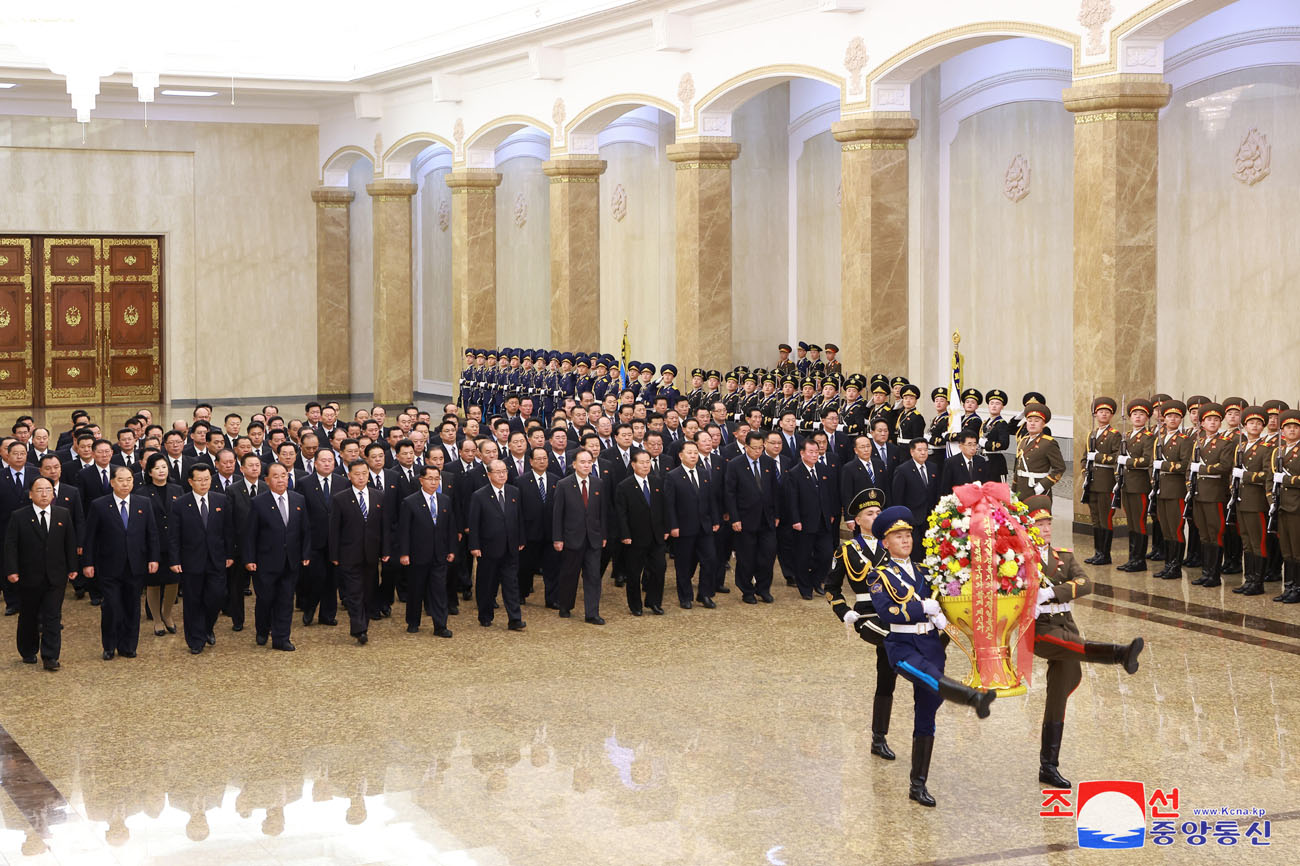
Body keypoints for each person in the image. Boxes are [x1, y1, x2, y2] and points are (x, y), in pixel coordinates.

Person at [867, 506, 996, 807]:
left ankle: (917, 784)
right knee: (930, 677)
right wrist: (922, 609)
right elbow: (887, 611)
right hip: (902, 645)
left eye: (908, 535)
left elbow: (948, 598)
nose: (905, 540)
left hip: (930, 644)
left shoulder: (926, 571)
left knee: (927, 714)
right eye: (898, 536)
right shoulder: (880, 576)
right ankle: (973, 698)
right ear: (885, 543)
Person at [1023, 496, 1144, 789]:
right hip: (1039, 630)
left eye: (1049, 523)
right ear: (1028, 528)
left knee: (1057, 697)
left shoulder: (1063, 554)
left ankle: (1048, 766)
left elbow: (1086, 583)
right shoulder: (1018, 559)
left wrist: (1052, 593)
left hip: (1064, 622)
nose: (1047, 529)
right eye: (1040, 524)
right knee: (1071, 646)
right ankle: (1119, 654)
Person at [825, 488, 894, 759]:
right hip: (867, 615)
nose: (876, 517)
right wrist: (844, 612)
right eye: (870, 513)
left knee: (887, 673)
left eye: (879, 512)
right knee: (891, 644)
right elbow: (831, 588)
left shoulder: (893, 543)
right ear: (857, 519)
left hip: (896, 610)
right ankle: (879, 736)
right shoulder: (847, 550)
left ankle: (878, 738)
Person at [82, 465, 160, 660]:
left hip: (135, 564)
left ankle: (129, 646)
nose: (125, 484)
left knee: (132, 607)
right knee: (112, 607)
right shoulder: (99, 505)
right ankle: (109, 646)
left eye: (129, 480)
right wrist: (88, 563)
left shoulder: (143, 503)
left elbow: (152, 533)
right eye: (121, 480)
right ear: (112, 482)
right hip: (109, 565)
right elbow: (90, 537)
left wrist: (153, 558)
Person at [4, 477, 78, 670]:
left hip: (56, 575)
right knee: (29, 615)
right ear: (30, 494)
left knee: (53, 616)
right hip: (28, 576)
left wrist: (73, 567)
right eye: (39, 490)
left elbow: (69, 543)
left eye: (48, 490)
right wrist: (12, 570)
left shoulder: (63, 514)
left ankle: (50, 656)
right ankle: (28, 650)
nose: (44, 494)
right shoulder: (19, 516)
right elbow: (10, 545)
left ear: (53, 494)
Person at [168, 464, 234, 654]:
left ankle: (207, 627)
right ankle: (195, 639)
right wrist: (174, 560)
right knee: (192, 601)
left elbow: (228, 531)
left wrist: (230, 554)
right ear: (190, 482)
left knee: (217, 597)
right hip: (191, 560)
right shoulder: (180, 504)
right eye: (199, 480)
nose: (204, 483)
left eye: (207, 479)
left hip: (217, 558)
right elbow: (174, 535)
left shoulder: (221, 500)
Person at [245, 463, 310, 651]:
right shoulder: (258, 502)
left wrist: (306, 553)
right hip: (265, 561)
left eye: (284, 475)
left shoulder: (298, 500)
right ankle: (263, 628)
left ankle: (282, 638)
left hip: (291, 560)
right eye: (276, 476)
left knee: (286, 599)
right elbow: (250, 534)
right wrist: (250, 559)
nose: (281, 479)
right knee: (266, 599)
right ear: (267, 480)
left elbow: (305, 529)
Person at [330, 459, 390, 645]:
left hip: (371, 554)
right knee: (354, 593)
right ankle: (359, 628)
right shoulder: (340, 498)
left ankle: (364, 623)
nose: (361, 477)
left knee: (368, 592)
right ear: (349, 476)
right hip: (348, 554)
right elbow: (334, 529)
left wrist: (385, 550)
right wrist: (334, 555)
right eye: (357, 474)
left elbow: (384, 526)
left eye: (364, 473)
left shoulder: (379, 496)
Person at [467, 459, 526, 630]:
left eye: (504, 471)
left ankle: (515, 619)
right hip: (488, 548)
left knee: (511, 584)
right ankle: (485, 615)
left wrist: (521, 539)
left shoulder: (514, 492)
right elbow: (474, 523)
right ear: (489, 474)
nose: (502, 475)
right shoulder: (479, 495)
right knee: (487, 584)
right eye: (498, 472)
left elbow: (519, 517)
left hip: (510, 547)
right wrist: (474, 546)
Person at [397, 464, 456, 636]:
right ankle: (413, 621)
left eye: (436, 478)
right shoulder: (410, 502)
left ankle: (440, 625)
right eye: (429, 478)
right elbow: (404, 530)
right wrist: (404, 553)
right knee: (416, 589)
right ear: (421, 480)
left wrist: (452, 549)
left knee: (439, 590)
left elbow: (450, 527)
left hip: (439, 554)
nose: (433, 482)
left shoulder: (445, 500)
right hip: (418, 554)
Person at [724, 431, 779, 604]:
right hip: (745, 519)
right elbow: (730, 493)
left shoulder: (768, 462)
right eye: (754, 448)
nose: (757, 451)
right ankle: (747, 590)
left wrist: (776, 514)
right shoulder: (735, 464)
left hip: (767, 518)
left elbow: (775, 490)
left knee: (768, 556)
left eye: (760, 448)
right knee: (746, 557)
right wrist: (734, 518)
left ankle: (763, 589)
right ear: (746, 447)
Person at [552, 450, 606, 623]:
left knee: (593, 576)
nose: (586, 465)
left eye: (589, 462)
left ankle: (592, 613)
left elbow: (603, 512)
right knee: (570, 574)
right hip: (571, 538)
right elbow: (557, 514)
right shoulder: (563, 484)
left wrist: (603, 535)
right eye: (582, 462)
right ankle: (565, 605)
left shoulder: (598, 483)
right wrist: (558, 538)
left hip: (593, 538)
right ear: (574, 464)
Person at [665, 439, 720, 608]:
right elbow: (669, 504)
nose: (693, 456)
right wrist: (673, 526)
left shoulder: (704, 473)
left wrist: (715, 520)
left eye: (695, 453)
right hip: (684, 527)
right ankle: (685, 597)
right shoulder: (672, 476)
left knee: (710, 560)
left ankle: (704, 594)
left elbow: (711, 499)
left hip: (704, 526)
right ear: (681, 456)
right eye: (689, 453)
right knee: (684, 564)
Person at [614, 451, 669, 615]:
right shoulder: (624, 486)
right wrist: (625, 534)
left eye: (648, 462)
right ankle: (635, 605)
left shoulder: (657, 482)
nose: (646, 465)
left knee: (659, 569)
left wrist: (666, 528)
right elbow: (621, 513)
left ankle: (654, 602)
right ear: (633, 464)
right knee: (634, 573)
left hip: (656, 536)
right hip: (635, 537)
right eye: (642, 462)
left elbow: (663, 507)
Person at [784, 440, 836, 600]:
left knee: (827, 554)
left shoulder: (823, 469)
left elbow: (829, 493)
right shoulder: (794, 473)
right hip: (804, 522)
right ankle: (805, 587)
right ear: (802, 453)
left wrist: (831, 513)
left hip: (823, 520)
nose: (815, 455)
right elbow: (791, 500)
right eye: (811, 452)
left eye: (816, 452)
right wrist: (795, 520)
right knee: (803, 556)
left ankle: (815, 580)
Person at [140, 453, 183, 636]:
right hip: (152, 543)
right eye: (156, 468)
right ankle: (157, 619)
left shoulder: (177, 489)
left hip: (173, 543)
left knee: (173, 580)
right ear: (149, 471)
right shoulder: (141, 492)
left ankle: (167, 615)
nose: (161, 471)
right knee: (154, 582)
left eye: (164, 467)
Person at [512, 447, 560, 608]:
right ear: (531, 462)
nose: (541, 461)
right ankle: (521, 593)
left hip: (551, 532)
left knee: (552, 568)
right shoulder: (520, 481)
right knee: (525, 567)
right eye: (538, 459)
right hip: (529, 533)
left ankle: (552, 598)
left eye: (544, 458)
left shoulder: (556, 480)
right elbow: (517, 511)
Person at [1152, 401, 1193, 581]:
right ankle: (1168, 564)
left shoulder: (1184, 440)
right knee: (1165, 529)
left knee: (1176, 529)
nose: (1172, 419)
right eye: (1169, 416)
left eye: (1176, 416)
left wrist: (1165, 465)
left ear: (1180, 419)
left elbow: (1185, 465)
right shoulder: (1159, 439)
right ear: (1164, 419)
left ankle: (1175, 566)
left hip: (1175, 489)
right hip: (1161, 489)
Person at [299, 449, 339, 626]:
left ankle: (328, 615)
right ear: (315, 463)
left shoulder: (343, 482)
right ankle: (309, 608)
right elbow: (301, 513)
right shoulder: (305, 483)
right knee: (316, 578)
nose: (327, 463)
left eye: (330, 460)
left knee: (332, 579)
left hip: (335, 540)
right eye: (323, 461)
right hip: (314, 540)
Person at [1115, 399, 1155, 573]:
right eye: (1135, 414)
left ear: (1147, 418)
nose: (1138, 417)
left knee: (1139, 522)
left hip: (1139, 485)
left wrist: (1129, 461)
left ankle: (1139, 560)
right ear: (1130, 417)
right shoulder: (1126, 436)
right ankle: (1132, 558)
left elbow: (1147, 460)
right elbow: (1118, 457)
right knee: (1131, 523)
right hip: (1126, 485)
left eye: (1142, 415)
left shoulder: (1148, 437)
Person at [1081, 397, 1121, 565]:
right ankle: (1098, 552)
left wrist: (1097, 457)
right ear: (1095, 414)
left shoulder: (1115, 435)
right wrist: (1085, 474)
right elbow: (1084, 458)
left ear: (1111, 415)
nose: (1103, 414)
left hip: (1106, 481)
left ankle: (1106, 554)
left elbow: (1117, 457)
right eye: (1100, 412)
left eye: (1107, 412)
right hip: (1092, 481)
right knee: (1095, 518)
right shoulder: (1091, 433)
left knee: (1105, 518)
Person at [890, 438, 936, 563]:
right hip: (912, 519)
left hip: (930, 518)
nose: (923, 453)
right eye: (919, 450)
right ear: (912, 452)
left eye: (925, 450)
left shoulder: (933, 468)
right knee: (915, 552)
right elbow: (898, 497)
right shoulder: (903, 470)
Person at [1012, 403, 1065, 500]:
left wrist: (1042, 485)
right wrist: (1013, 489)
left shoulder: (1048, 443)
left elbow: (1059, 468)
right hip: (1021, 488)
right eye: (1029, 420)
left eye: (1037, 421)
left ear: (1043, 424)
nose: (1032, 423)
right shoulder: (1023, 440)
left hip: (1037, 488)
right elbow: (1018, 467)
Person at [938, 431, 985, 496]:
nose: (973, 448)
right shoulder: (951, 462)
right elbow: (945, 488)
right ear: (961, 446)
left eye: (974, 444)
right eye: (969, 445)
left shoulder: (980, 461)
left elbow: (985, 484)